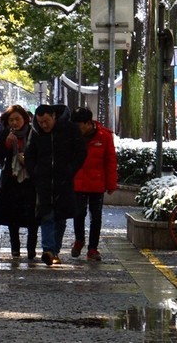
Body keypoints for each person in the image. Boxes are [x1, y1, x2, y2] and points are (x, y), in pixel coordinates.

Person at [22, 104, 86, 266]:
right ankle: (48, 249)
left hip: (63, 179)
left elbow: (81, 152)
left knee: (60, 217)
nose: (44, 125)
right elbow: (29, 154)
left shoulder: (69, 129)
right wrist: (35, 170)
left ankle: (54, 251)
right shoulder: (35, 132)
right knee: (46, 215)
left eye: (46, 121)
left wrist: (70, 169)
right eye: (40, 122)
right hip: (43, 180)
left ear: (54, 117)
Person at [0, 104, 39, 260]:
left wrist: (27, 160)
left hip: (30, 180)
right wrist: (7, 144)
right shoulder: (6, 133)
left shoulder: (33, 133)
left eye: (17, 119)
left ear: (25, 118)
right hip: (11, 179)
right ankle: (15, 248)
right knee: (13, 215)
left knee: (32, 215)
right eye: (11, 120)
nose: (15, 123)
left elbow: (40, 155)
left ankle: (31, 249)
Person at [70, 107, 117, 261]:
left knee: (95, 216)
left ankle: (93, 248)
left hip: (97, 183)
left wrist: (111, 184)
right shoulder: (73, 136)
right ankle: (79, 240)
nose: (77, 129)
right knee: (78, 213)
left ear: (88, 123)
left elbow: (110, 161)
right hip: (78, 181)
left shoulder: (105, 136)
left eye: (79, 126)